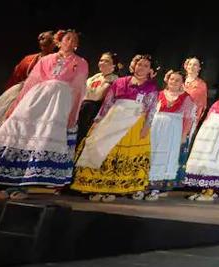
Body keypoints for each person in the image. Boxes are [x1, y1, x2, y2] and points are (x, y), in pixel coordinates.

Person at [0, 30, 88, 198]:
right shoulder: (46, 60)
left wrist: (73, 112)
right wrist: (17, 104)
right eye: (67, 39)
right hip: (38, 97)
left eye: (74, 40)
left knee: (44, 137)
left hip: (59, 101)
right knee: (21, 132)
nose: (71, 42)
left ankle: (27, 183)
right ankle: (5, 180)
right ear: (58, 42)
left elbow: (79, 89)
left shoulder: (80, 62)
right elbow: (32, 81)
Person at [72, 53, 158, 201]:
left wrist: (146, 126)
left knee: (124, 155)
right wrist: (97, 121)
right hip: (114, 118)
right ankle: (98, 186)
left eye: (146, 66)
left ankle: (115, 189)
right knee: (104, 150)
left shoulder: (151, 87)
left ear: (150, 70)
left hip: (134, 123)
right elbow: (107, 104)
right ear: (133, 65)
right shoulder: (120, 82)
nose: (141, 67)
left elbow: (151, 108)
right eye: (139, 64)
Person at [147, 69, 198, 200]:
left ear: (182, 83)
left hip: (173, 129)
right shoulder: (159, 94)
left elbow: (188, 118)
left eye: (177, 80)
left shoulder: (186, 97)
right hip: (156, 126)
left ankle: (156, 187)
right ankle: (143, 185)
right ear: (167, 80)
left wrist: (183, 135)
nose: (174, 82)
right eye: (172, 79)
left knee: (165, 156)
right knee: (151, 153)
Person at [0, 30, 56, 99]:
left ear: (55, 44)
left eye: (50, 41)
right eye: (42, 39)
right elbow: (15, 78)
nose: (44, 42)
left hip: (46, 94)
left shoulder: (59, 61)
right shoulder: (28, 60)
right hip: (25, 93)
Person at [77, 52, 119, 148]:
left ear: (113, 65)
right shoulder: (95, 77)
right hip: (83, 108)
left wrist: (87, 96)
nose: (102, 63)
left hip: (95, 112)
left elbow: (98, 96)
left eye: (106, 61)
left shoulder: (114, 79)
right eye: (101, 60)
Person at [182, 57, 209, 131]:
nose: (191, 67)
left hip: (188, 119)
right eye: (190, 64)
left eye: (195, 65)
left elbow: (201, 106)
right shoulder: (179, 79)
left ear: (199, 68)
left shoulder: (201, 85)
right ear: (186, 66)